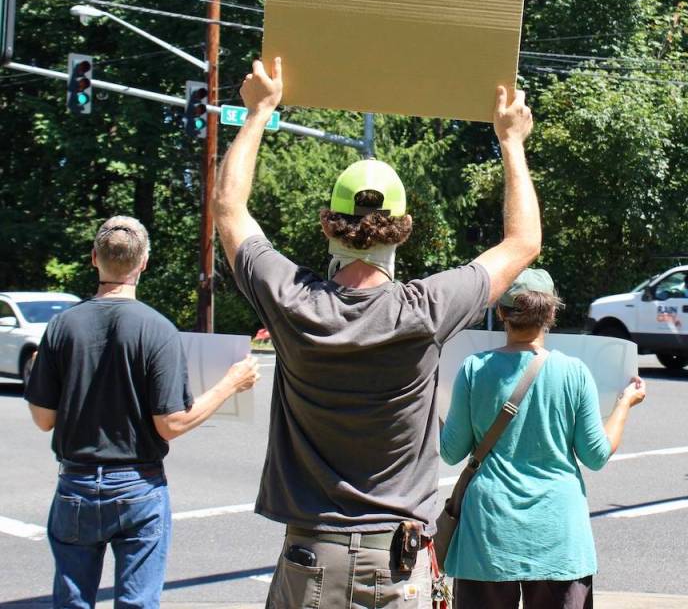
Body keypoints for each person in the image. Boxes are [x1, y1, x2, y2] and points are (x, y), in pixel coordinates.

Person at [212, 58, 541, 608]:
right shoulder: (426, 309)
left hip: (309, 554)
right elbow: (522, 242)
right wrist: (510, 140)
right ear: (404, 231)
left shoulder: (294, 302)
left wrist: (258, 113)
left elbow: (228, 210)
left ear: (328, 224)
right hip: (398, 559)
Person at [24, 215, 260, 608]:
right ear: (144, 262)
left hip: (76, 485)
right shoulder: (158, 329)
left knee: (71, 602)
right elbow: (171, 423)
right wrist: (231, 385)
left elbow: (42, 419)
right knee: (138, 603)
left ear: (94, 258)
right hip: (138, 486)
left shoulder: (62, 327)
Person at [440, 268, 646, 609]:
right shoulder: (573, 372)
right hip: (558, 532)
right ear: (550, 314)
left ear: (501, 313)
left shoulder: (473, 369)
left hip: (488, 531)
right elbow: (595, 455)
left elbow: (451, 453)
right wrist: (624, 403)